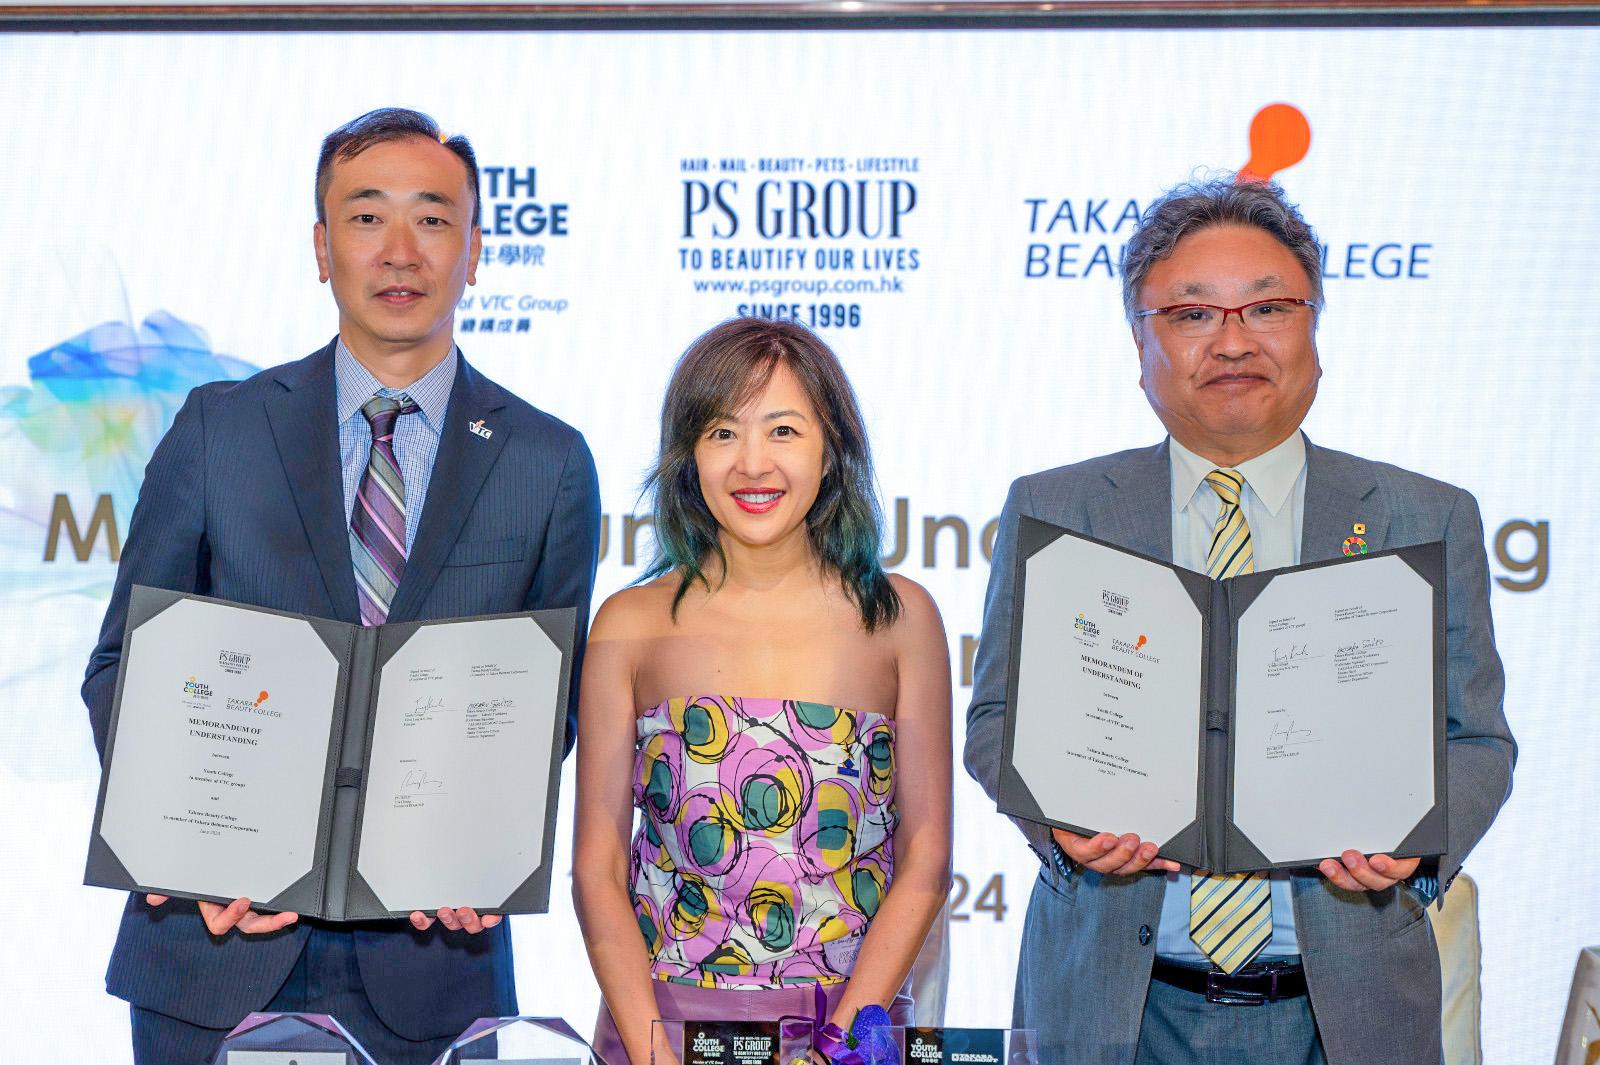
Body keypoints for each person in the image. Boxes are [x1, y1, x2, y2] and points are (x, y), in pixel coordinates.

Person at [82, 107, 601, 1065]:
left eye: (433, 218)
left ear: (477, 251)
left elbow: (548, 708)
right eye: (367, 217)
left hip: (432, 962)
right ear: (322, 248)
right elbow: (123, 665)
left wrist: (479, 840)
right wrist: (186, 844)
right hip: (213, 945)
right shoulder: (218, 428)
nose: (400, 250)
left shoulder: (548, 462)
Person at [963, 176, 1514, 1064]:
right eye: (1192, 314)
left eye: (1267, 308)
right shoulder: (1061, 508)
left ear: (1314, 329)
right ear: (1140, 342)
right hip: (1114, 1003)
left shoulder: (1424, 516)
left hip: (1346, 1010)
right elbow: (995, 720)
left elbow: (1477, 739)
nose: (1232, 341)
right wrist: (1056, 821)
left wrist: (1418, 840)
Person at [572, 317, 952, 1065]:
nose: (752, 464)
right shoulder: (628, 624)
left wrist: (837, 1046)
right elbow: (597, 867)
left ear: (831, 449)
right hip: (662, 1030)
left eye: (783, 430)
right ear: (688, 456)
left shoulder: (899, 617)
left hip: (849, 1028)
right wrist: (654, 1053)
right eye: (722, 433)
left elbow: (927, 859)